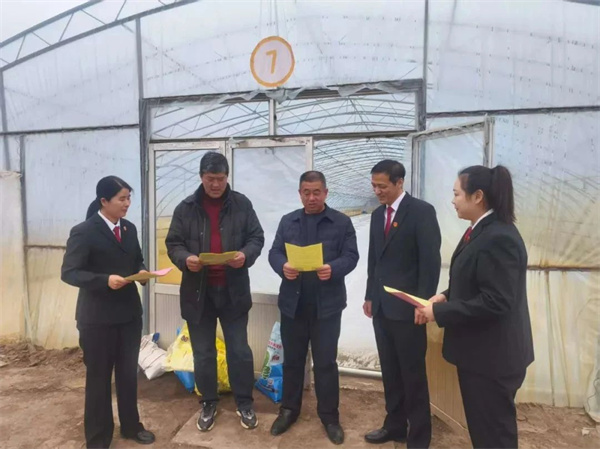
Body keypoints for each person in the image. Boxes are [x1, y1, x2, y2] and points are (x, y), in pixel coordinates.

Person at [415, 165, 534, 448]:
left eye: (457, 193)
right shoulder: (480, 231)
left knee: (494, 435)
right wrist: (446, 295)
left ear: (477, 196)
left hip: (492, 359)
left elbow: (497, 300)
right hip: (482, 355)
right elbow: (478, 281)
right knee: (484, 430)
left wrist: (439, 313)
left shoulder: (498, 238)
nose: (452, 200)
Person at [165, 152, 264, 432]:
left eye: (220, 178)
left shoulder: (241, 204)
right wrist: (186, 259)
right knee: (204, 352)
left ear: (227, 177)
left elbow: (256, 237)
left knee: (239, 350)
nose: (216, 184)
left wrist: (245, 255)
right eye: (210, 179)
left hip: (233, 291)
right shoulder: (186, 208)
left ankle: (244, 402)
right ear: (201, 177)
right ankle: (208, 402)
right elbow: (173, 243)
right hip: (199, 292)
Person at [61, 176, 155, 448]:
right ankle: (98, 437)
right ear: (104, 201)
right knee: (99, 379)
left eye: (129, 198)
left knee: (127, 375)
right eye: (121, 199)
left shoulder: (129, 228)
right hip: (97, 319)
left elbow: (136, 260)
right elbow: (70, 272)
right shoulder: (84, 231)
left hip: (128, 316)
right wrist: (104, 280)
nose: (127, 204)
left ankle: (131, 426)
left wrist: (142, 273)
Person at [268, 171, 359, 445]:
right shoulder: (289, 221)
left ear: (326, 193)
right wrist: (283, 266)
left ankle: (330, 417)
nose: (311, 198)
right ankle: (289, 410)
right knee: (293, 361)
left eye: (316, 192)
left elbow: (351, 256)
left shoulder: (341, 222)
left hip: (326, 307)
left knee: (326, 363)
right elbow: (274, 252)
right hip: (293, 305)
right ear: (300, 194)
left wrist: (334, 268)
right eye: (306, 192)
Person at [363, 160, 441, 449]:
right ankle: (394, 425)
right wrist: (370, 296)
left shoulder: (421, 212)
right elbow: (374, 260)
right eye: (374, 186)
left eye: (382, 186)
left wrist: (422, 305)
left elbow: (430, 263)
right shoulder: (377, 216)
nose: (377, 191)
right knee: (390, 372)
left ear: (399, 183)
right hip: (382, 308)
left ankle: (419, 437)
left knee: (412, 375)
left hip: (408, 310)